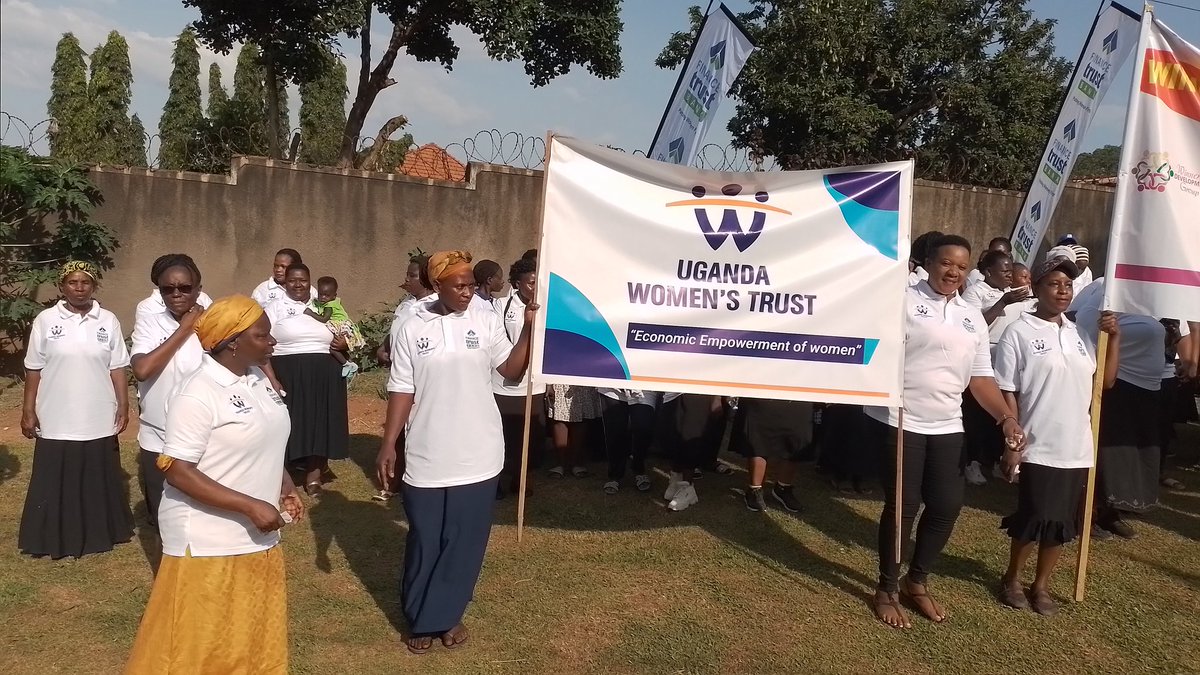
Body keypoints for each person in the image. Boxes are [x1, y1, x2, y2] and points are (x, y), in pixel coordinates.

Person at [125, 295, 304, 674]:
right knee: (200, 645)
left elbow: (269, 439)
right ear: (233, 341)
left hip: (255, 536)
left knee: (248, 636)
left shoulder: (257, 378)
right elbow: (177, 470)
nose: (272, 342)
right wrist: (250, 506)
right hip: (207, 540)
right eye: (263, 335)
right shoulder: (198, 392)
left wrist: (284, 483)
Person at [375, 250, 537, 654]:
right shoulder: (411, 325)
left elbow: (509, 370)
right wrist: (389, 442)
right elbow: (402, 387)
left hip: (479, 449)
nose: (468, 292)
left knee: (465, 540)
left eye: (470, 284)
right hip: (429, 450)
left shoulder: (484, 317)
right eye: (459, 285)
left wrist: (530, 332)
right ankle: (419, 611)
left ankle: (442, 618)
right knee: (426, 535)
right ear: (436, 286)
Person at [865, 235, 1025, 629]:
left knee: (947, 505)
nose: (952, 271)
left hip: (947, 423)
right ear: (930, 264)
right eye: (945, 263)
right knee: (902, 507)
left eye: (960, 265)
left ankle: (915, 581)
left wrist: (1006, 418)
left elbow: (981, 377)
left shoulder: (970, 315)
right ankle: (886, 588)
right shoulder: (902, 300)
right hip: (899, 418)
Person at [993, 256, 1120, 616]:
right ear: (1036, 287)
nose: (1062, 290)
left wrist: (1115, 337)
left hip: (1076, 445)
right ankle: (1013, 578)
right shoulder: (1019, 332)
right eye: (1054, 283)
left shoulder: (1080, 332)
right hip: (1037, 442)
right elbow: (1007, 389)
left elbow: (1105, 382)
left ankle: (1042, 585)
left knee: (1062, 523)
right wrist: (1012, 442)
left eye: (1068, 285)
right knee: (1033, 516)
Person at [19, 261, 132, 559]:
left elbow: (118, 366)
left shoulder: (107, 320)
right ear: (62, 286)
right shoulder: (45, 320)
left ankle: (99, 533)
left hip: (97, 412)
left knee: (96, 471)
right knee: (55, 473)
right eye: (72, 282)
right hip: (56, 413)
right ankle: (52, 535)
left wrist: (124, 402)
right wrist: (28, 409)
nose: (79, 288)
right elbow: (33, 368)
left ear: (94, 286)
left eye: (86, 282)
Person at [1074, 279, 1167, 540]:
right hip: (1119, 386)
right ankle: (1085, 515)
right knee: (1107, 456)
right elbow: (1085, 326)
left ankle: (1108, 513)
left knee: (1127, 458)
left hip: (1144, 391)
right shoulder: (1107, 290)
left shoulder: (1145, 295)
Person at [130, 254, 209, 530]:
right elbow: (142, 369)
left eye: (185, 288)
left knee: (203, 512)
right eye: (168, 289)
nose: (176, 294)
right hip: (159, 433)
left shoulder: (212, 320)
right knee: (164, 514)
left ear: (198, 289)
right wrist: (185, 329)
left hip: (204, 431)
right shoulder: (151, 320)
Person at [263, 263, 350, 497]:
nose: (298, 284)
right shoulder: (274, 307)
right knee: (286, 423)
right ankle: (282, 476)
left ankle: (314, 475)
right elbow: (261, 341)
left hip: (325, 370)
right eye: (292, 280)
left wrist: (345, 343)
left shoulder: (324, 303)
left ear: (309, 281)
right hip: (287, 370)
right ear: (285, 282)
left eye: (303, 280)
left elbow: (347, 331)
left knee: (320, 421)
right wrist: (271, 377)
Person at [960, 250, 1032, 485]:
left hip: (1006, 362)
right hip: (981, 364)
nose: (1010, 276)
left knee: (1000, 416)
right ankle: (972, 462)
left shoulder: (1013, 294)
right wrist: (1003, 302)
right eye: (1004, 271)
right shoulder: (976, 292)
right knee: (977, 416)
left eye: (1011, 271)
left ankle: (993, 460)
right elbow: (972, 325)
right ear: (989, 272)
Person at [492, 256, 545, 499]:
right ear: (517, 283)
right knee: (502, 435)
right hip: (503, 385)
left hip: (533, 385)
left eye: (538, 282)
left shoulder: (547, 305)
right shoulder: (500, 306)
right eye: (530, 283)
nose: (534, 288)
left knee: (530, 435)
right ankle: (497, 478)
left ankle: (523, 477)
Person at [733, 398, 810, 512]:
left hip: (799, 393)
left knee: (795, 439)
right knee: (758, 439)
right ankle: (755, 489)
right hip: (763, 393)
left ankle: (783, 488)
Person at [662, 394, 727, 511]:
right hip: (672, 392)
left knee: (690, 436)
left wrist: (717, 397)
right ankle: (676, 479)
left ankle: (687, 488)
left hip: (699, 392)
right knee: (674, 435)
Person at [598, 389, 657, 494]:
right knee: (615, 431)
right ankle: (614, 475)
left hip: (644, 390)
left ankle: (639, 468)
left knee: (643, 428)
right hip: (613, 388)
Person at [547, 384, 604, 478]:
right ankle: (560, 464)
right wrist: (548, 384)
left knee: (581, 419)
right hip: (560, 379)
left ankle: (576, 462)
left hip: (584, 381)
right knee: (559, 417)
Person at [311, 275, 364, 377]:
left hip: (341, 325)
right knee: (338, 348)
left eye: (326, 295)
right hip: (342, 324)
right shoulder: (331, 302)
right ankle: (349, 362)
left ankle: (346, 364)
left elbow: (324, 319)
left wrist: (310, 313)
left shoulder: (329, 305)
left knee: (333, 348)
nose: (323, 298)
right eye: (320, 294)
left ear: (334, 296)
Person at [250, 248, 315, 307]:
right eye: (276, 266)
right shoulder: (262, 290)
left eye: (283, 267)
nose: (278, 270)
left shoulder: (309, 290)